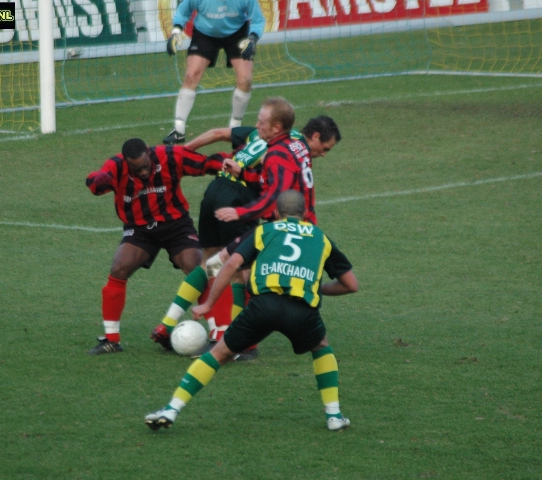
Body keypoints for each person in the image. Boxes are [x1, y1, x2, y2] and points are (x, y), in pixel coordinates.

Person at [144, 190, 359, 432]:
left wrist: (208, 304)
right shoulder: (322, 239)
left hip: (263, 306)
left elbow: (231, 264)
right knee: (321, 347)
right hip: (301, 311)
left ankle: (172, 409)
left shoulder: (264, 231)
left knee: (218, 354)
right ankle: (334, 416)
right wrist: (317, 289)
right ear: (306, 214)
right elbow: (351, 284)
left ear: (276, 213)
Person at [151, 111, 342, 358]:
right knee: (242, 273)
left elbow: (218, 133)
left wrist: (181, 153)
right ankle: (233, 340)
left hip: (216, 190)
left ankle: (167, 325)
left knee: (210, 262)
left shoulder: (266, 134)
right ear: (314, 136)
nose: (324, 153)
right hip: (240, 197)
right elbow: (275, 189)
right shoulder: (293, 148)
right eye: (325, 147)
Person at [85, 138, 227, 355]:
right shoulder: (116, 166)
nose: (142, 173)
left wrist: (225, 164)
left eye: (145, 167)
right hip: (140, 229)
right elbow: (96, 183)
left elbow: (204, 164)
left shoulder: (169, 156)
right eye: (136, 169)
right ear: (127, 162)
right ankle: (111, 339)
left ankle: (217, 336)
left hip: (176, 225)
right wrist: (98, 180)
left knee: (198, 268)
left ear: (150, 155)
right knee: (119, 268)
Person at [162, 0, 266, 145]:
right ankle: (178, 130)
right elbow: (182, 12)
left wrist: (253, 39)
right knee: (191, 75)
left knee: (245, 79)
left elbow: (258, 20)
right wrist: (176, 32)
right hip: (205, 34)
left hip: (238, 33)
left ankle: (234, 129)